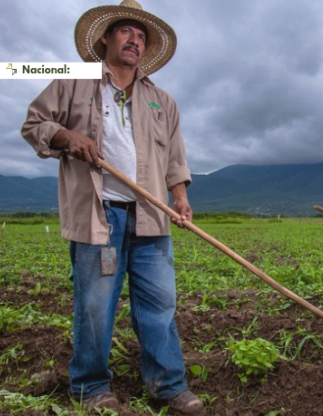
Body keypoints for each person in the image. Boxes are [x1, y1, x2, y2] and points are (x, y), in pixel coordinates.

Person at [21, 1, 203, 414]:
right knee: (96, 307)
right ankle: (91, 388)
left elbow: (175, 157)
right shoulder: (73, 82)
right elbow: (35, 125)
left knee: (159, 304)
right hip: (99, 215)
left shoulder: (161, 100)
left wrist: (181, 197)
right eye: (126, 33)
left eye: (141, 37)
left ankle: (168, 385)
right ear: (106, 37)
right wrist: (67, 136)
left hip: (152, 216)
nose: (134, 41)